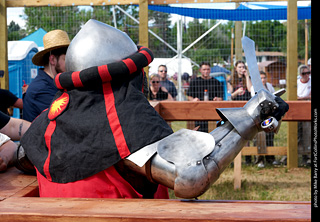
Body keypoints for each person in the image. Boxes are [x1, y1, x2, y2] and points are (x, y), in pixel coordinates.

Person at [23, 29, 70, 122]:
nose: (70, 64)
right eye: (66, 59)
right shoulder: (41, 90)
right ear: (52, 60)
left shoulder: (52, 83)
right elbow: (67, 119)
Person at [187, 61, 223, 132]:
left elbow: (220, 98)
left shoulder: (216, 82)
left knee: (212, 132)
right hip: (197, 111)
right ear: (200, 70)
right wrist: (193, 100)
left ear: (210, 70)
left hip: (212, 112)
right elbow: (189, 96)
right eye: (204, 69)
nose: (206, 71)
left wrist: (217, 99)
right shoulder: (194, 82)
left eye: (208, 69)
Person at [250, 71, 276, 167]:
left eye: (264, 78)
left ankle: (270, 158)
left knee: (270, 136)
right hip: (259, 115)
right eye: (261, 78)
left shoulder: (269, 86)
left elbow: (274, 96)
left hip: (269, 114)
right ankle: (259, 160)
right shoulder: (254, 87)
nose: (263, 80)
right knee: (259, 136)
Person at [230, 61, 253, 164]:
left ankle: (248, 158)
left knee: (247, 132)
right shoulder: (231, 80)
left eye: (243, 67)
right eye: (239, 67)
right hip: (235, 109)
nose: (241, 69)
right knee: (235, 134)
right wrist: (236, 92)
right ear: (236, 68)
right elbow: (230, 96)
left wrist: (247, 76)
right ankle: (234, 159)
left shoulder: (248, 78)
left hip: (247, 109)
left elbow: (250, 89)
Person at [297, 64, 311, 166]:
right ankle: (298, 154)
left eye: (308, 73)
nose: (306, 75)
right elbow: (293, 96)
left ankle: (308, 155)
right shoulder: (297, 83)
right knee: (297, 133)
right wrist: (305, 98)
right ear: (300, 74)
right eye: (304, 73)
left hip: (308, 110)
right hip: (297, 110)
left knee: (307, 133)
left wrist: (301, 98)